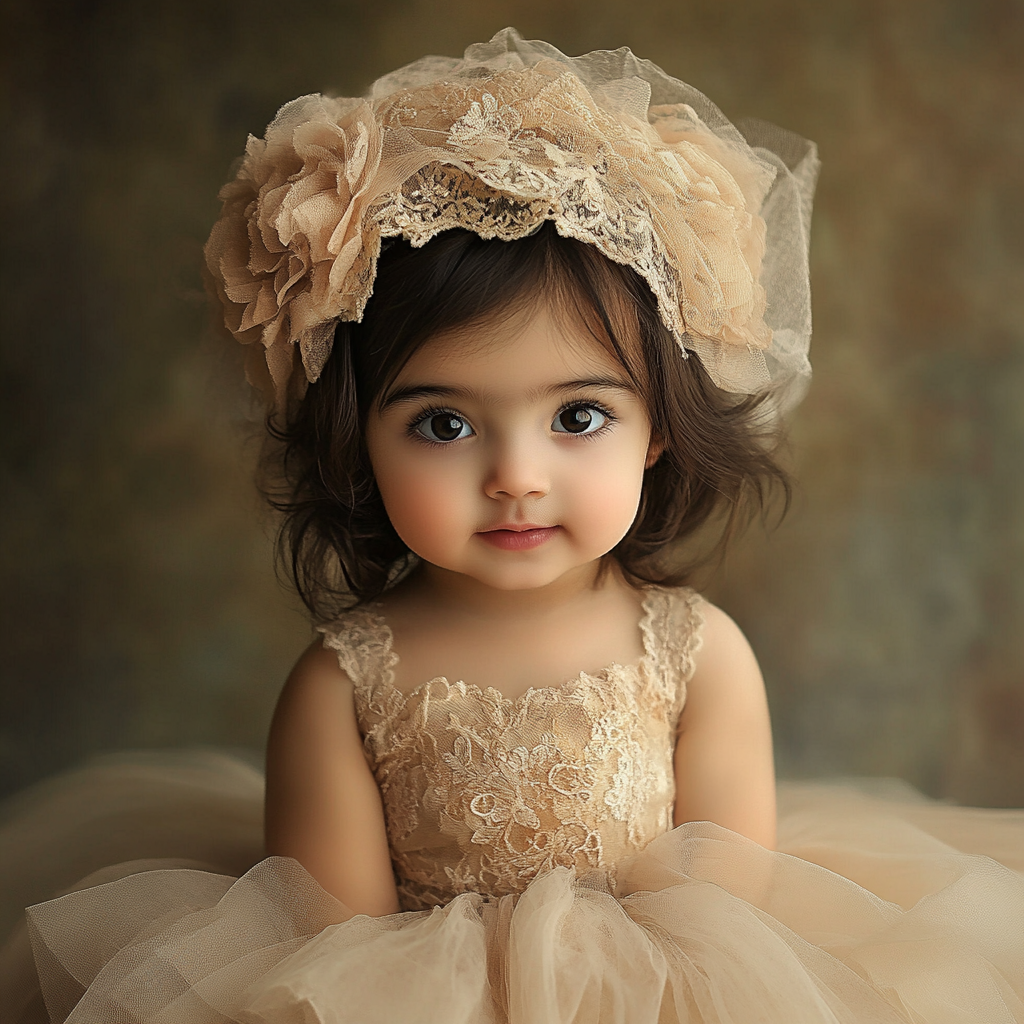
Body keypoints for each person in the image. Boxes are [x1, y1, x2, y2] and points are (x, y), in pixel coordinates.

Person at [4, 28, 1023, 1024]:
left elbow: (723, 931)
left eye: (577, 416)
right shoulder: (344, 684)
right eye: (443, 424)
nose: (516, 478)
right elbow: (323, 966)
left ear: (659, 428)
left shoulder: (695, 655)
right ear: (358, 438)